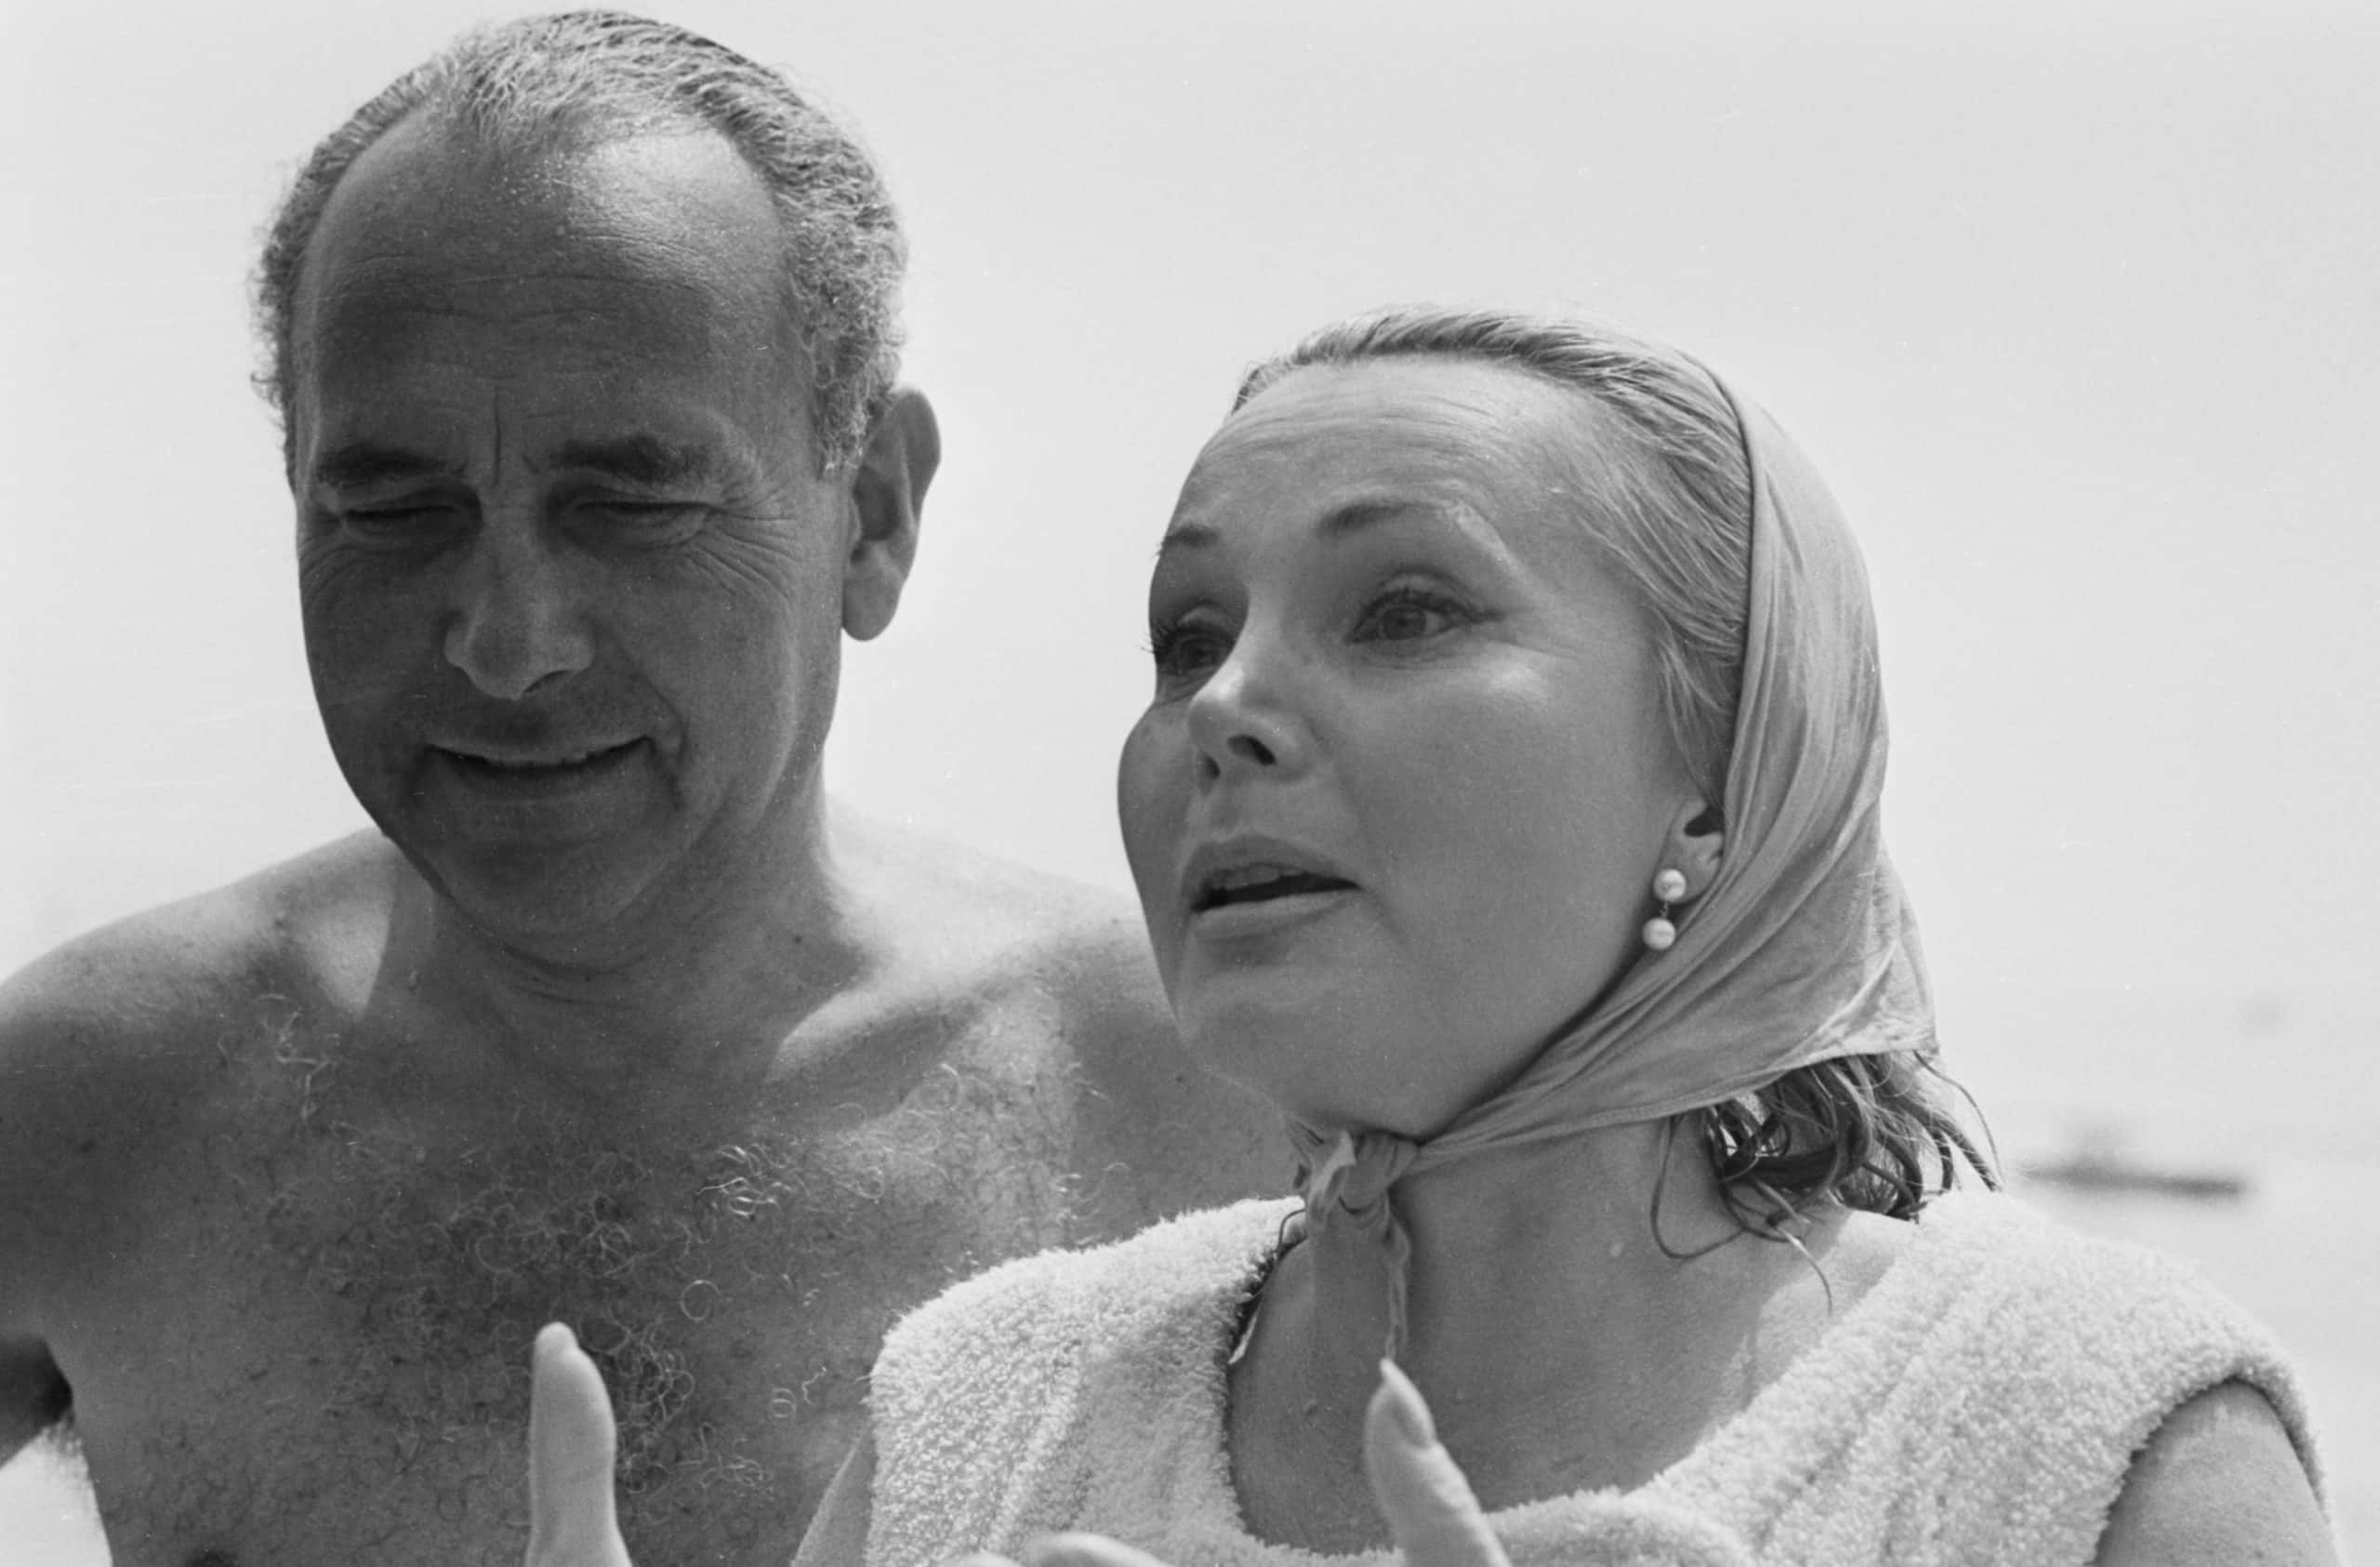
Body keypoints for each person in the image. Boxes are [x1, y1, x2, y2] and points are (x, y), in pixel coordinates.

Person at [523, 306, 2337, 1564]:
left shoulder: (2073, 1436)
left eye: (1400, 608)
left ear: (1719, 775)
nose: (1221, 705)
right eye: (1181, 636)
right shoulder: (987, 1403)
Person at [0, 12, 1276, 1565]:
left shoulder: (1226, 1115)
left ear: (870, 515)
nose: (508, 638)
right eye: (394, 510)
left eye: (630, 503)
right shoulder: (91, 1107)